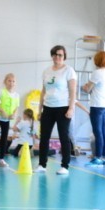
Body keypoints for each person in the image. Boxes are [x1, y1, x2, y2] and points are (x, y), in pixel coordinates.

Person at [36, 45, 77, 175]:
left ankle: (65, 166)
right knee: (44, 137)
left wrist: (71, 108)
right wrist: (39, 109)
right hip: (48, 107)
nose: (57, 57)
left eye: (60, 55)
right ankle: (42, 164)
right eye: (55, 54)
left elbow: (73, 91)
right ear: (52, 56)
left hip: (63, 108)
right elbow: (43, 91)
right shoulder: (46, 71)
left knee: (63, 136)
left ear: (64, 56)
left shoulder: (69, 71)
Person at [81, 50, 105, 165]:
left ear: (97, 60)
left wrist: (84, 87)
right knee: (104, 131)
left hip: (96, 105)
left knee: (97, 132)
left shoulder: (97, 73)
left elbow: (88, 89)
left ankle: (98, 157)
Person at [0, 73, 20, 167]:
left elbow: (16, 107)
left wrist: (14, 114)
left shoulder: (16, 95)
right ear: (5, 82)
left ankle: (1, 159)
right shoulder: (1, 91)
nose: (11, 83)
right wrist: (2, 111)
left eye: (13, 81)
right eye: (9, 81)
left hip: (6, 120)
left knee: (4, 138)